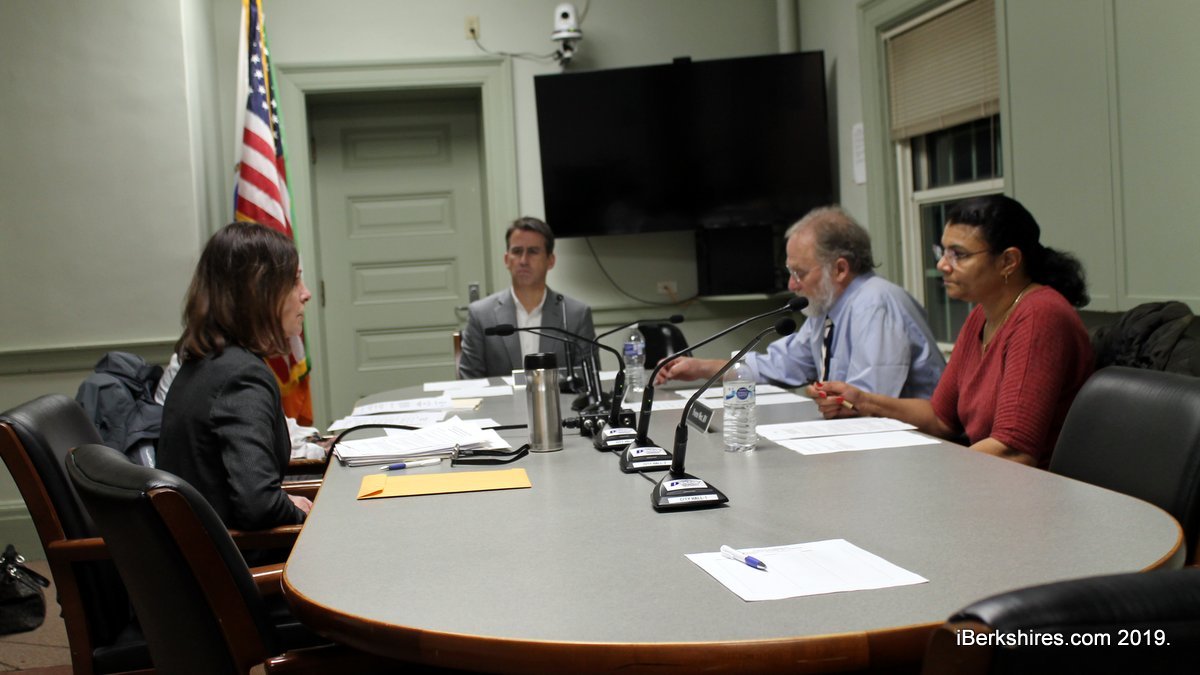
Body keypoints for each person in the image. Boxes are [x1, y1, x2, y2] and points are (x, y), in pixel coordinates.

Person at [812, 195, 1093, 467]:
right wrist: (863, 401)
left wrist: (931, 475)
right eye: (943, 251)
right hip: (990, 477)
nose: (942, 265)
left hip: (1037, 489)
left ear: (1008, 261)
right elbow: (940, 418)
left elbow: (1013, 451)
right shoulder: (982, 314)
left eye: (958, 254)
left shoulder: (1040, 315)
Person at [656, 206, 944, 398]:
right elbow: (781, 364)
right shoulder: (827, 309)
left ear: (840, 269)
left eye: (800, 273)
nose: (792, 285)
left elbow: (869, 399)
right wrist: (702, 368)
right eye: (790, 273)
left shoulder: (874, 304)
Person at [158, 222, 312, 531]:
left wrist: (284, 500)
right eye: (295, 281)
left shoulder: (206, 361)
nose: (305, 294)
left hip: (210, 544)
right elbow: (259, 505)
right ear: (260, 291)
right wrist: (306, 517)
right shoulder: (242, 377)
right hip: (245, 556)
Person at [458, 216, 595, 378]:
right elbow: (470, 382)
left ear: (550, 261)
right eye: (517, 251)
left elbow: (589, 380)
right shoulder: (481, 315)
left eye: (533, 251)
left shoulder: (575, 315)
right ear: (507, 259)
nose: (523, 260)